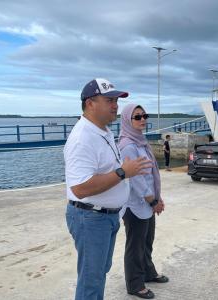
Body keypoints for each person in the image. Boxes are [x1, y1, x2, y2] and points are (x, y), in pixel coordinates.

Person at [64, 78, 152, 300]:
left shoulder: (102, 131)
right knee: (91, 279)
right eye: (109, 100)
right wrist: (123, 172)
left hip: (105, 217)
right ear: (90, 103)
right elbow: (80, 188)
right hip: (90, 217)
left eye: (116, 100)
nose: (116, 105)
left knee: (98, 274)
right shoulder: (82, 138)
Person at [118, 103, 168, 299]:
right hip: (135, 205)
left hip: (147, 202)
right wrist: (153, 200)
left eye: (144, 116)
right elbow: (136, 180)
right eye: (137, 117)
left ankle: (148, 272)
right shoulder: (128, 146)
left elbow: (150, 175)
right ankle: (135, 284)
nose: (143, 120)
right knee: (135, 246)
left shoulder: (140, 142)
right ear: (127, 120)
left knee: (147, 242)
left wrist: (157, 197)